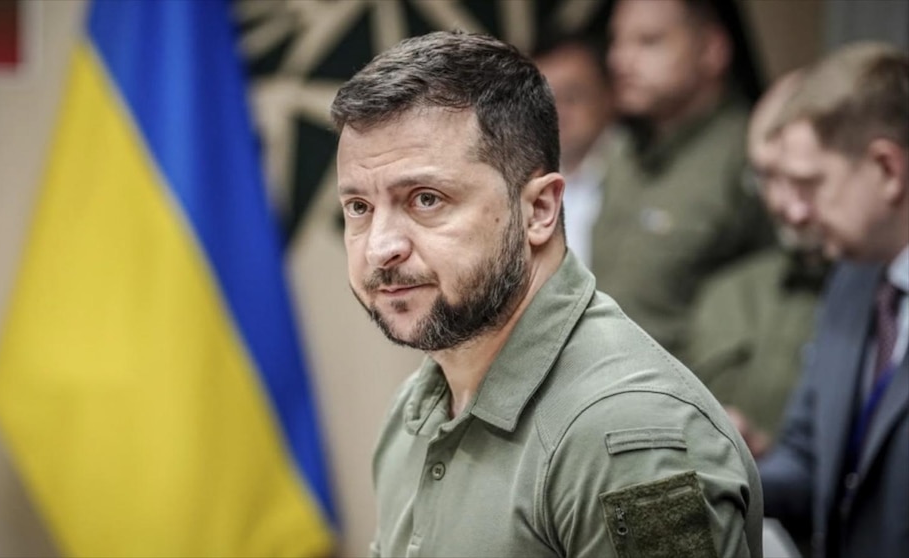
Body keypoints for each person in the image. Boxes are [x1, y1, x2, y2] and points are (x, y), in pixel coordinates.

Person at [330, 30, 763, 558]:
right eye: (358, 208)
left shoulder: (628, 432)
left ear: (539, 210)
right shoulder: (415, 409)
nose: (380, 248)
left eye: (426, 199)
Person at [758, 42, 909, 558]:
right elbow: (807, 460)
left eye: (810, 184)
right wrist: (714, 469)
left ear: (887, 168)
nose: (795, 213)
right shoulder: (852, 279)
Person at [592, 0, 774, 360]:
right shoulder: (621, 151)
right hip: (606, 374)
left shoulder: (754, 154)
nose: (619, 60)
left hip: (696, 383)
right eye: (617, 41)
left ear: (711, 50)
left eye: (649, 41)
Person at [685, 70, 831, 459]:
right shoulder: (726, 294)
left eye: (800, 179)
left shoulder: (884, 302)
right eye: (766, 176)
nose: (785, 203)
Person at [533, 28, 617, 267]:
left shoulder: (643, 170)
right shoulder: (517, 185)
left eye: (571, 97)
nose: (557, 113)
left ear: (609, 96)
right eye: (545, 101)